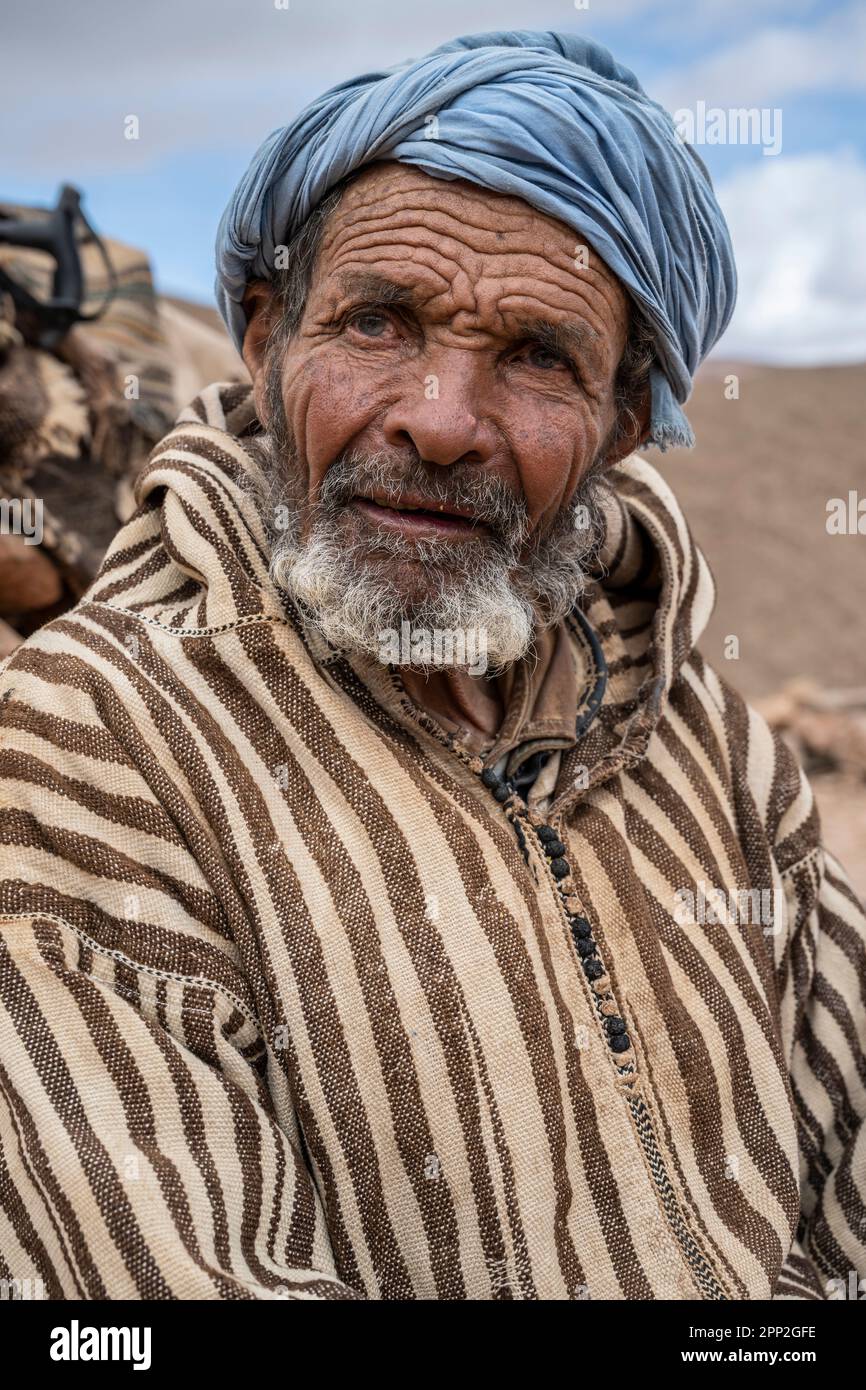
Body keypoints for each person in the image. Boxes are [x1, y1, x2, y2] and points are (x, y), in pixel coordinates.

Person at [0, 30, 863, 1301]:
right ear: (262, 340)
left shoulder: (692, 729)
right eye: (376, 322)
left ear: (623, 422)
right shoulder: (94, 739)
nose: (440, 419)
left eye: (534, 356)